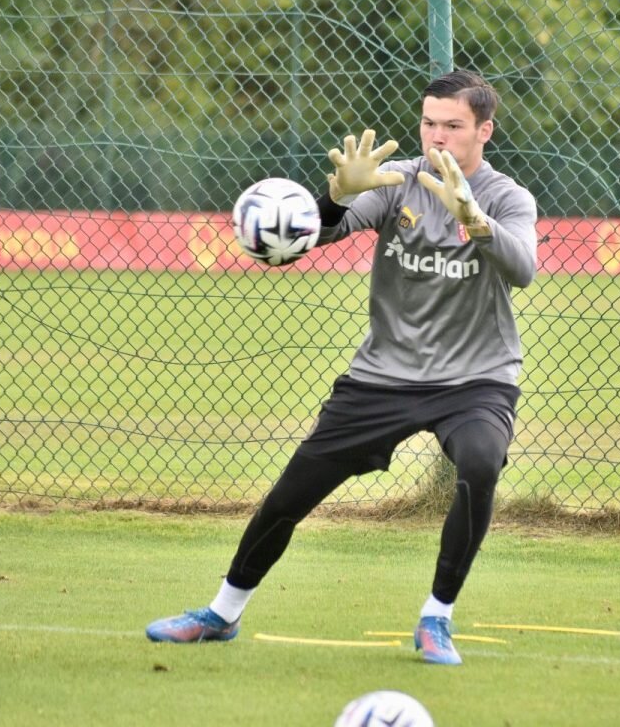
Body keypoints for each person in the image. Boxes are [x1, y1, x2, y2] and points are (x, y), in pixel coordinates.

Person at [146, 69, 538, 665]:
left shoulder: (508, 197)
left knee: (481, 464)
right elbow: (312, 239)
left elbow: (523, 269)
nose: (437, 136)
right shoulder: (396, 181)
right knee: (290, 494)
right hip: (382, 377)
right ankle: (222, 614)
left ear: (484, 130)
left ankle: (437, 618)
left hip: (475, 380)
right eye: (429, 122)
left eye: (453, 126)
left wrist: (474, 219)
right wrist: (336, 197)